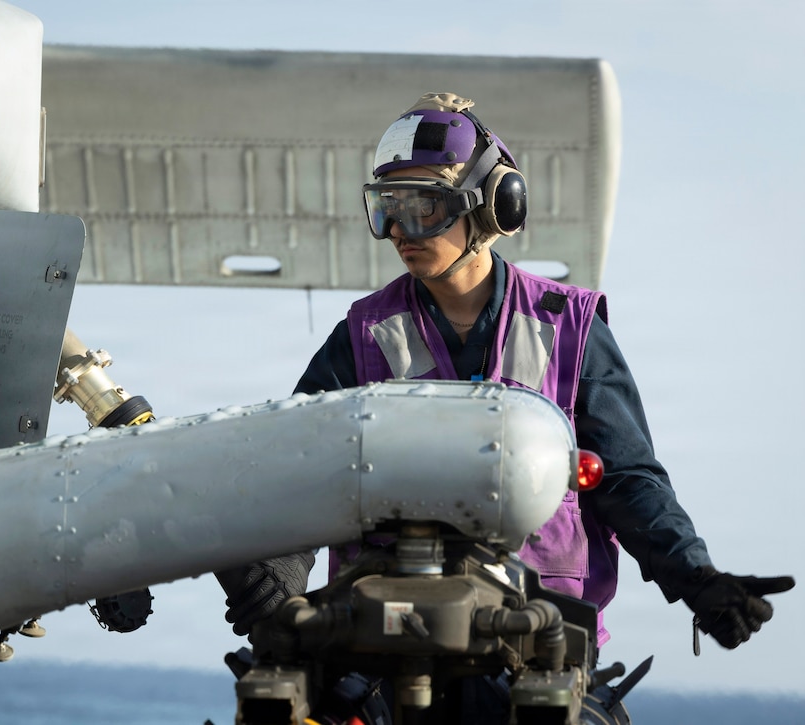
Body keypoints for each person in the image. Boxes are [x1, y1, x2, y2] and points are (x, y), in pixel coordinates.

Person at [217, 92, 794, 667]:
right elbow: (294, 471)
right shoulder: (365, 335)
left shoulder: (568, 327)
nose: (399, 229)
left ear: (494, 206)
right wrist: (276, 579)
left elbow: (626, 478)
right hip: (385, 641)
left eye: (424, 207)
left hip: (537, 639)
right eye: (387, 207)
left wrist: (695, 575)